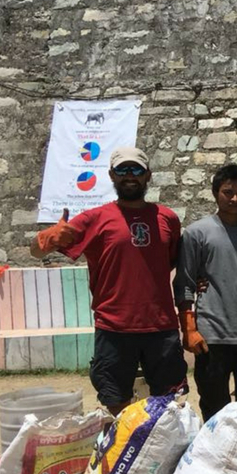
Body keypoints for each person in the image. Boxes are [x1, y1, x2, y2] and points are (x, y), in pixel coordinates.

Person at [31, 146, 187, 415]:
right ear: (111, 175)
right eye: (122, 170)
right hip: (114, 328)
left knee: (169, 406)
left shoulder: (167, 218)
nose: (130, 175)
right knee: (116, 405)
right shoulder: (95, 218)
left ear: (148, 175)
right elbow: (35, 251)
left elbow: (171, 262)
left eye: (136, 169)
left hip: (160, 327)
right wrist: (48, 239)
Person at [175, 164, 237, 421]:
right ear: (215, 193)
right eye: (228, 192)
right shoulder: (197, 233)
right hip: (211, 337)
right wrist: (189, 328)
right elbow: (184, 281)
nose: (235, 198)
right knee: (214, 407)